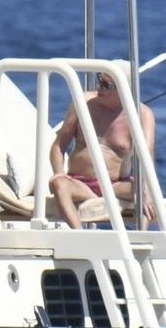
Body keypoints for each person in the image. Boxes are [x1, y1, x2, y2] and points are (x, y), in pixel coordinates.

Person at [47, 70, 158, 229]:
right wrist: (58, 172)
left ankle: (140, 237)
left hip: (115, 185)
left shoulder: (142, 115)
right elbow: (58, 146)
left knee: (147, 191)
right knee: (59, 183)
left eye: (106, 85)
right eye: (100, 80)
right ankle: (80, 235)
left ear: (123, 90)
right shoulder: (83, 103)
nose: (99, 87)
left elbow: (147, 160)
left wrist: (146, 189)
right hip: (80, 183)